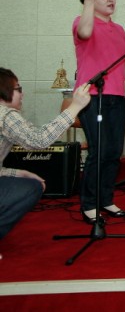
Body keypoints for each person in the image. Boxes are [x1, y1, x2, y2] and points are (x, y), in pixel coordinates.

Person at [0, 68, 91, 257]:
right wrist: (75, 107)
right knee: (31, 188)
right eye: (18, 89)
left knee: (27, 181)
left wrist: (17, 173)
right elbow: (39, 140)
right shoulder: (6, 115)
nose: (22, 94)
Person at [74, 0, 125, 224]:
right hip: (91, 96)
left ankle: (106, 199)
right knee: (99, 150)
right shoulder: (82, 22)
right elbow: (84, 33)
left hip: (116, 96)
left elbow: (124, 62)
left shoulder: (119, 29)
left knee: (114, 151)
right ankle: (89, 205)